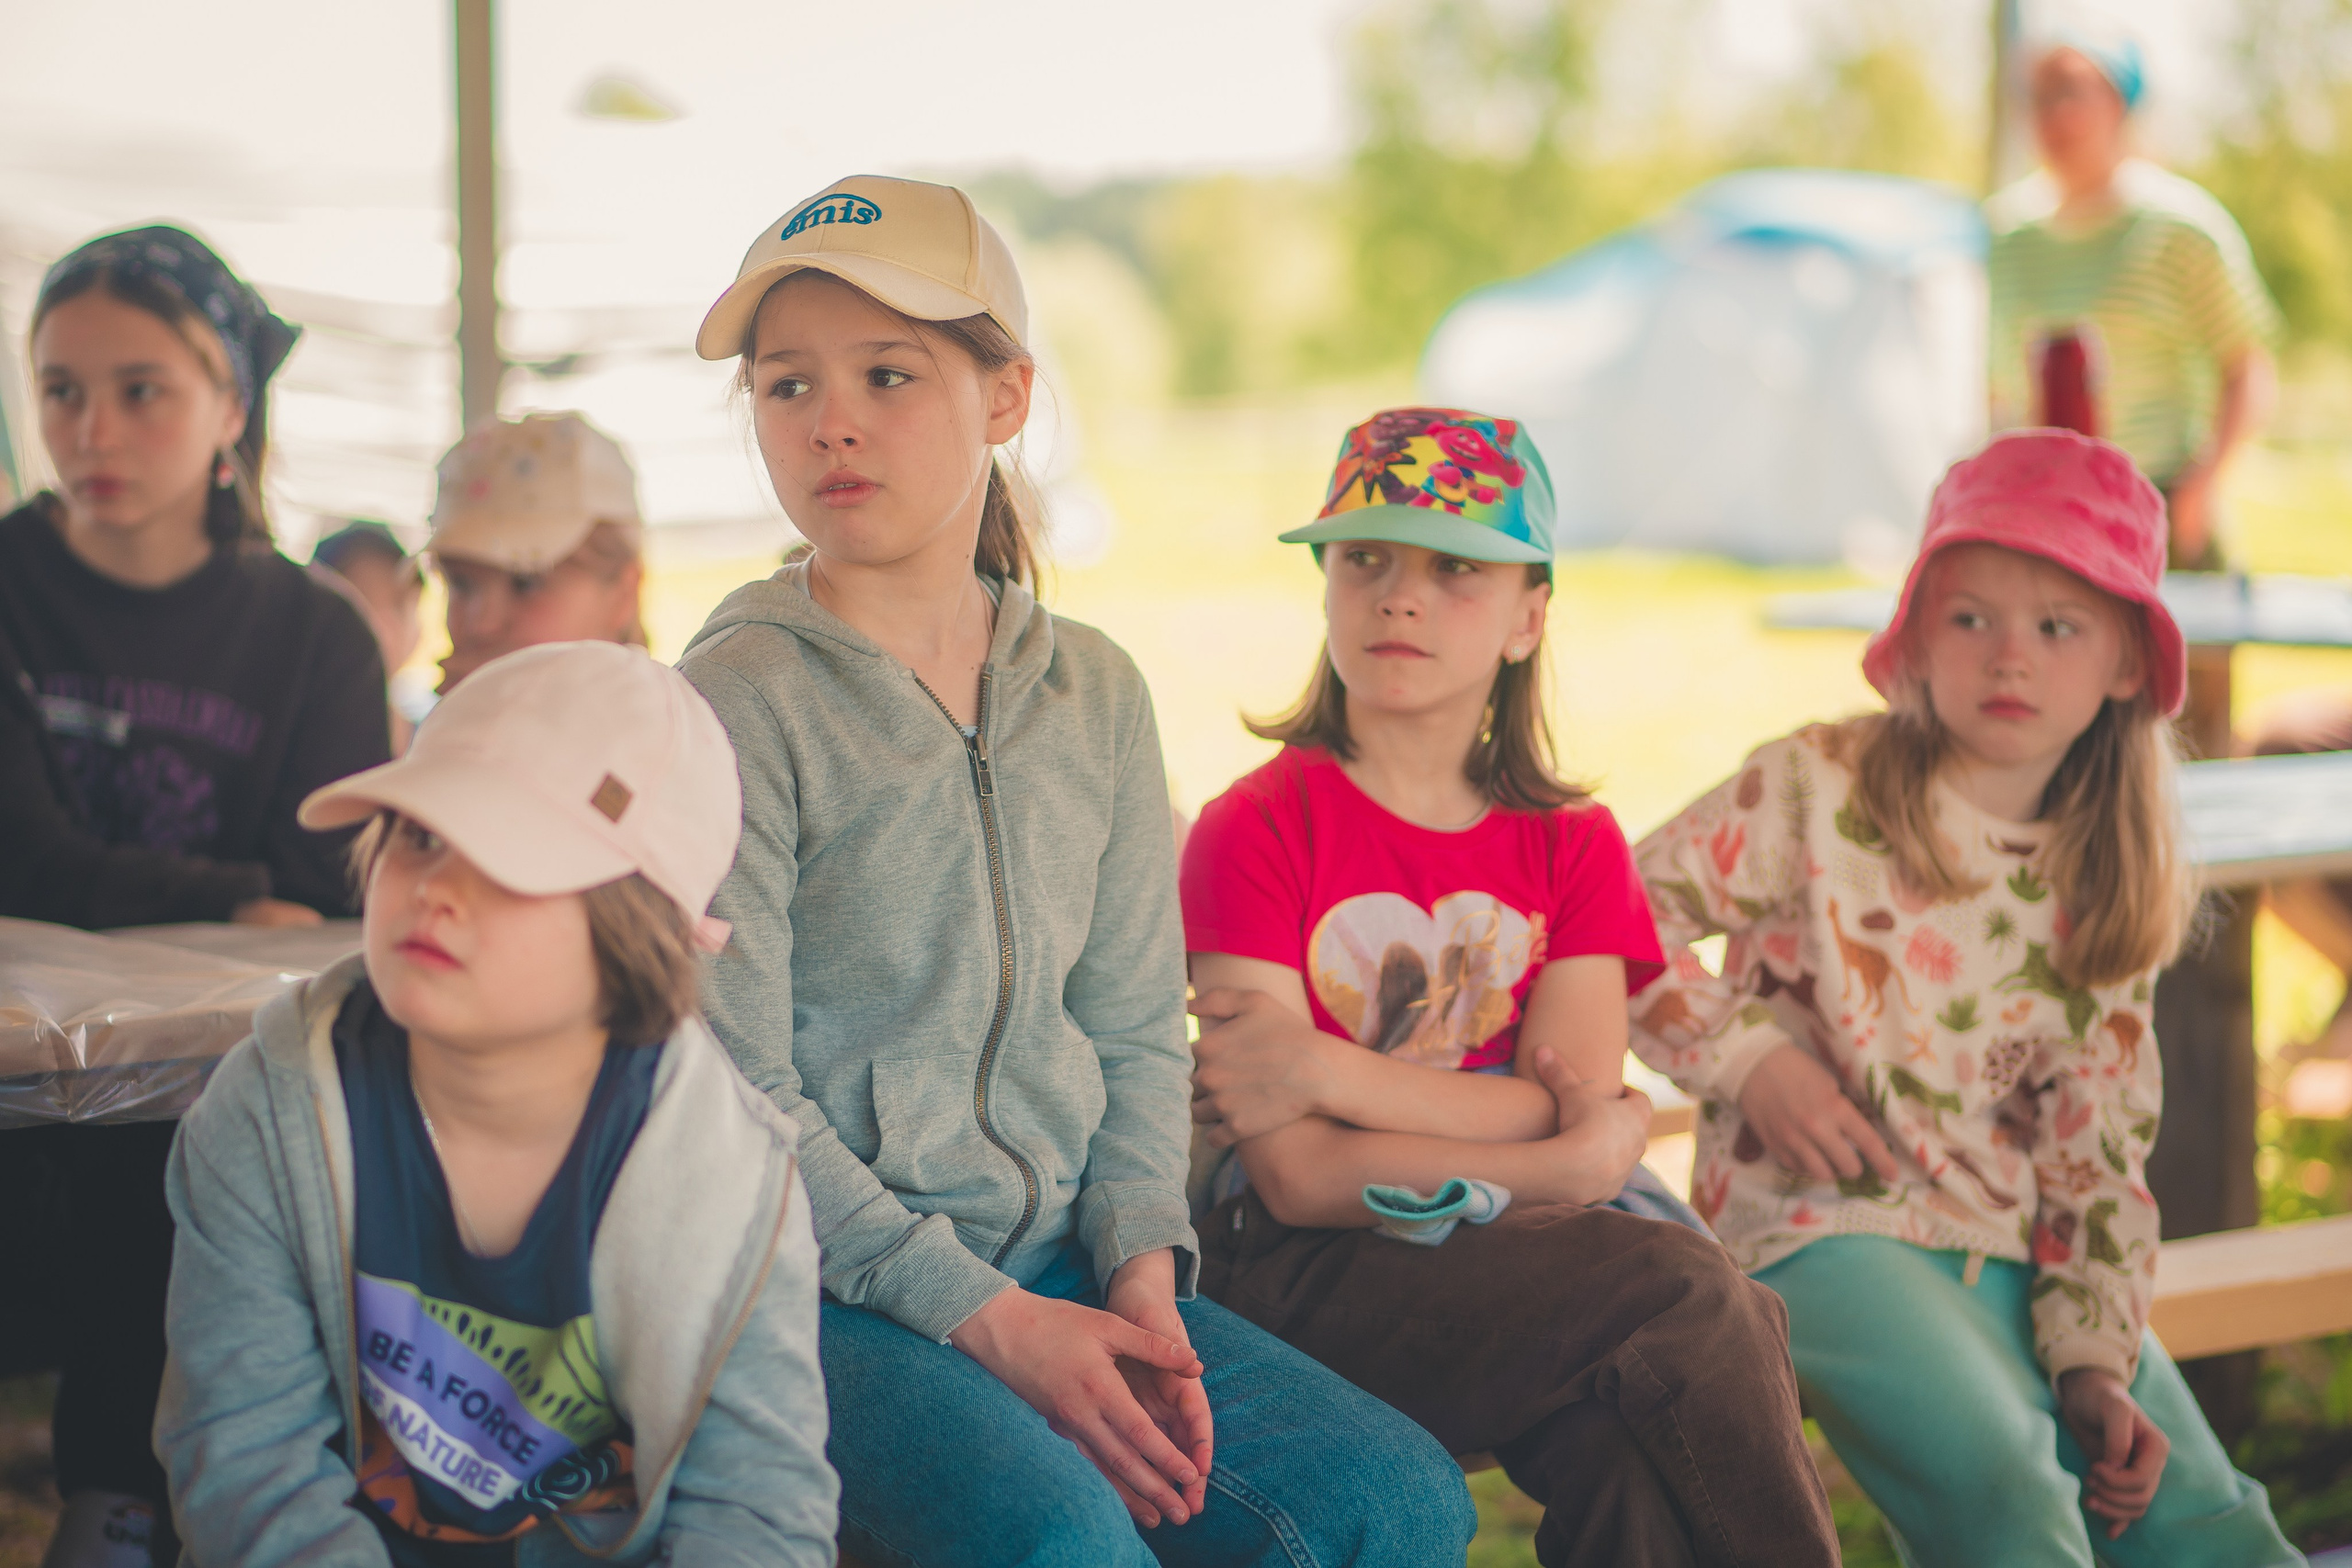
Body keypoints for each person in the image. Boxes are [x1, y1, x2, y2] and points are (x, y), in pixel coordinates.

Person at [677, 175, 1474, 1567]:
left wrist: (1142, 1275)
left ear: (1006, 397)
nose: (832, 422)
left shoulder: (1094, 691)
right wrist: (1000, 1324)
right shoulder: (735, 697)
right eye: (785, 385)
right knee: (1068, 1540)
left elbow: (1127, 1029)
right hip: (814, 1291)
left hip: (1066, 1257)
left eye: (887, 373)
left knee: (1397, 1502)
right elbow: (740, 1101)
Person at [1179, 406, 1838, 1568]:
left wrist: (1330, 1070)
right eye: (1365, 559)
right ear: (1326, 586)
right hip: (1299, 1276)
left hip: (1527, 1259)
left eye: (1456, 571)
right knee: (1684, 1295)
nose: (1399, 596)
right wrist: (1558, 1162)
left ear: (1528, 617)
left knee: (1624, 1445)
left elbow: (1573, 1094)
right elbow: (1298, 1173)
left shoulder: (1570, 845)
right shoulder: (1254, 829)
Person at [1629, 430, 2301, 1567]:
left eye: (2057, 625)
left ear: (2127, 662)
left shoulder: (2106, 875)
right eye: (1970, 616)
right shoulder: (1811, 786)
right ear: (1913, 638)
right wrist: (1750, 1058)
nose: (2009, 659)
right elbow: (1610, 918)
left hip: (2014, 1239)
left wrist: (2090, 1353)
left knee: (2201, 1516)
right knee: (2007, 1492)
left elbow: (2095, 1152)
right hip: (1816, 1224)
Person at [155, 640, 837, 1566]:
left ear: (632, 930)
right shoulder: (268, 1108)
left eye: (509, 860)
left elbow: (758, 1513)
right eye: (420, 832)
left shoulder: (732, 1183)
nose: (436, 889)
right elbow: (244, 1460)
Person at [0, 223, 391, 1568]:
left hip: (219, 1095)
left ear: (230, 405)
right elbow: (23, 858)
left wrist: (229, 899)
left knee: (169, 1155)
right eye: (60, 388)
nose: (91, 426)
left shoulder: (313, 630)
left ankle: (132, 1491)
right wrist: (229, 888)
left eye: (140, 388)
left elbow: (333, 885)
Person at [1986, 29, 2277, 570]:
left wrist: (2205, 486)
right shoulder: (2007, 237)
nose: (2053, 114)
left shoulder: (2182, 228)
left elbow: (2248, 369)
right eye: (2038, 96)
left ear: (2119, 104)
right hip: (2048, 518)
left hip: (2164, 508)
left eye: (2071, 92)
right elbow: (1998, 385)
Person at [427, 412, 650, 694]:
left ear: (623, 594)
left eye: (526, 583)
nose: (482, 624)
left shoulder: (661, 728)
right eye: (461, 584)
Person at [312, 519, 428, 749]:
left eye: (398, 605)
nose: (384, 626)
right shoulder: (291, 729)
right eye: (363, 603)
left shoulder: (433, 740)